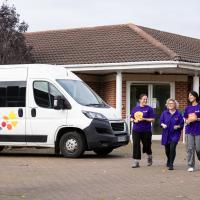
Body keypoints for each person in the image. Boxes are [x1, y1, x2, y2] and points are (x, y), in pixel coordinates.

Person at [130, 94, 155, 168]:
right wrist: (134, 120)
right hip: (136, 130)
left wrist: (144, 119)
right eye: (144, 99)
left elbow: (152, 119)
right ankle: (136, 162)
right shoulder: (135, 108)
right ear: (140, 100)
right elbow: (131, 118)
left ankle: (149, 156)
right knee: (136, 145)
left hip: (146, 130)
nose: (145, 100)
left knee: (147, 146)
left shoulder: (149, 109)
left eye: (146, 99)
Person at [160, 98, 184, 170]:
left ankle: (171, 164)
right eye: (169, 104)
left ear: (175, 105)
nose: (170, 105)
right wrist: (162, 125)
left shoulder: (178, 114)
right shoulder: (164, 113)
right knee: (167, 150)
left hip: (175, 134)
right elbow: (160, 122)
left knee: (172, 148)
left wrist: (177, 126)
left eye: (172, 103)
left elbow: (182, 124)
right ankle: (168, 159)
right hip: (166, 134)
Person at [184, 91, 200, 172]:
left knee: (198, 149)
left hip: (198, 131)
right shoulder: (187, 108)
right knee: (190, 149)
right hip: (189, 130)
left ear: (195, 97)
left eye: (191, 95)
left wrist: (196, 119)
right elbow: (185, 119)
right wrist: (187, 121)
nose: (189, 97)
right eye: (189, 95)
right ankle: (190, 165)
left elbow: (196, 118)